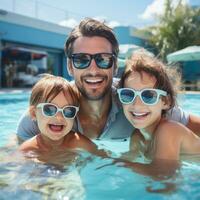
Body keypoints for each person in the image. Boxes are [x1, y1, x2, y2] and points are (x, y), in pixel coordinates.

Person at [16, 18, 200, 145]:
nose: (93, 70)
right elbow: (16, 160)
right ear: (70, 66)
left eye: (103, 59)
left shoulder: (138, 100)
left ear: (114, 65)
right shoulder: (49, 110)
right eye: (81, 60)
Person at [19, 74, 106, 164]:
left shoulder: (78, 142)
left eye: (68, 111)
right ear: (34, 113)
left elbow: (103, 158)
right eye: (49, 109)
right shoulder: (28, 150)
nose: (59, 117)